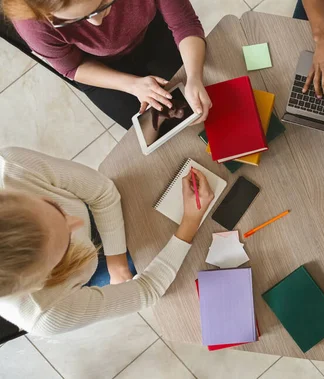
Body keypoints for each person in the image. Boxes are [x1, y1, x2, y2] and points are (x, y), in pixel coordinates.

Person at [0, 147, 214, 335]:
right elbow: (147, 290)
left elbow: (102, 193)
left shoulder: (12, 167)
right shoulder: (46, 314)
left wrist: (118, 264)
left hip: (97, 208)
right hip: (83, 276)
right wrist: (191, 222)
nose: (75, 223)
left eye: (55, 206)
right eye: (66, 244)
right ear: (40, 281)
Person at [2, 0, 212, 129]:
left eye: (104, 3)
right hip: (97, 68)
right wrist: (132, 85)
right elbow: (72, 67)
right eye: (75, 20)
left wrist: (194, 76)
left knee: (206, 91)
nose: (97, 23)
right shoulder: (33, 23)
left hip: (151, 32)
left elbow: (184, 23)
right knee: (154, 131)